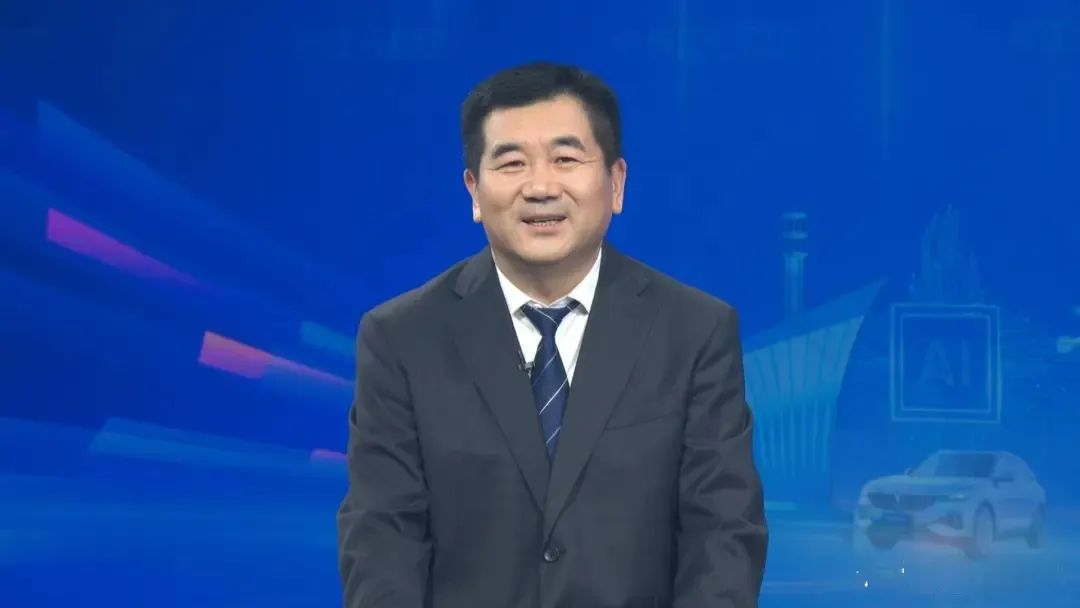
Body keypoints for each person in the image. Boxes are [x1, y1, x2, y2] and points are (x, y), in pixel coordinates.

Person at [337, 61, 768, 608]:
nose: (540, 187)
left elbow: (723, 536)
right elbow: (382, 539)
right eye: (511, 163)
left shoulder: (694, 332)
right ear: (474, 191)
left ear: (615, 183)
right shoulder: (401, 339)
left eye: (565, 159)